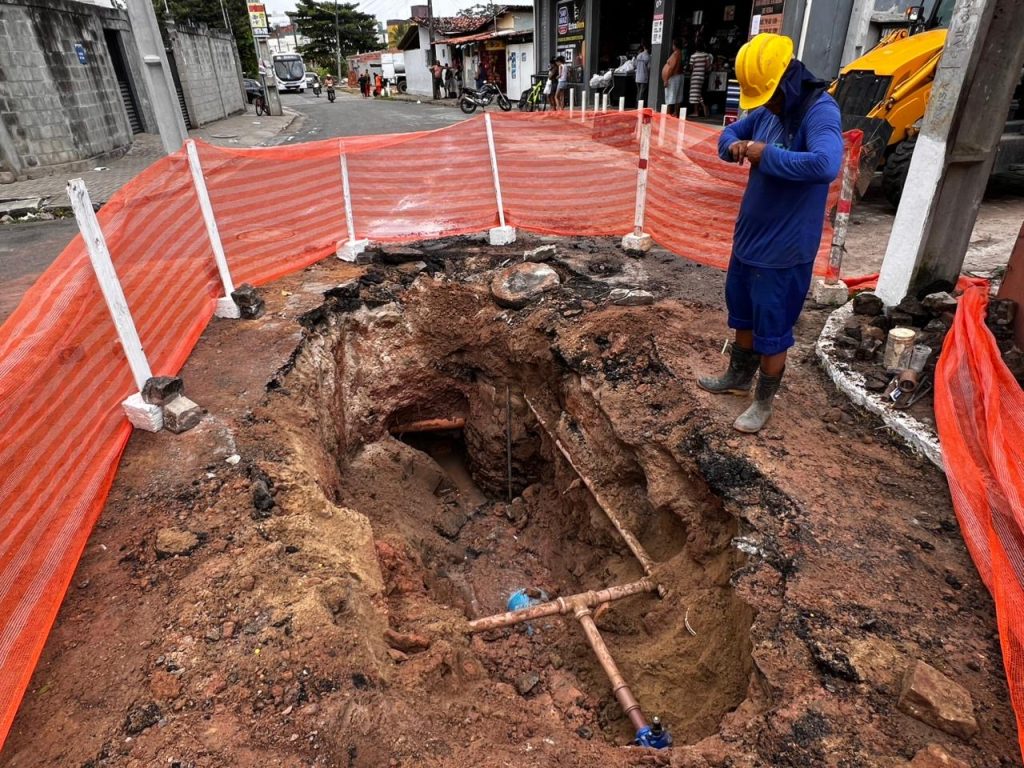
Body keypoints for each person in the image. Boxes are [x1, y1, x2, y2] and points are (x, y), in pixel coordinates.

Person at [698, 33, 843, 433]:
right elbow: (727, 135)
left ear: (786, 82)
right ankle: (738, 377)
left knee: (773, 325)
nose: (764, 104)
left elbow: (826, 164)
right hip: (751, 239)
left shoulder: (820, 112)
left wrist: (767, 154)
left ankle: (764, 400)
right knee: (743, 310)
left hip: (785, 248)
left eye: (769, 95)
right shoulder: (766, 112)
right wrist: (734, 146)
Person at [688, 40, 714, 117]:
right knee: (698, 93)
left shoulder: (693, 56)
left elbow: (691, 68)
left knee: (694, 94)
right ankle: (704, 106)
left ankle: (696, 111)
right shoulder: (706, 55)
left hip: (695, 76)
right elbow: (708, 66)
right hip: (702, 76)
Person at [662, 38, 684, 117]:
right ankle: (675, 113)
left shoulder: (676, 54)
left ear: (674, 45)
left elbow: (671, 67)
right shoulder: (680, 53)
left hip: (674, 77)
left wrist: (666, 79)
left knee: (670, 96)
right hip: (678, 76)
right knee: (677, 96)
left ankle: (668, 114)